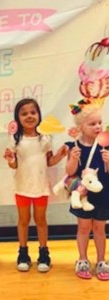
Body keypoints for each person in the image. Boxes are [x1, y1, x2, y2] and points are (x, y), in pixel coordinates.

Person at [4, 98, 67, 273]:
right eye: (24, 113)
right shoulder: (15, 139)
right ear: (17, 118)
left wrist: (61, 155)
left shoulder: (45, 138)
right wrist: (10, 160)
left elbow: (50, 161)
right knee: (23, 220)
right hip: (22, 186)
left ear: (39, 115)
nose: (29, 116)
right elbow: (14, 165)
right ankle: (23, 252)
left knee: (41, 220)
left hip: (40, 187)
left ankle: (44, 252)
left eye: (33, 112)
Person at [65, 102, 109, 280]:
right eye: (92, 124)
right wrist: (73, 159)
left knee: (100, 228)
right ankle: (82, 259)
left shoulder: (106, 145)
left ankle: (101, 260)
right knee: (83, 227)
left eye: (99, 122)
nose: (97, 126)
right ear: (80, 127)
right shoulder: (74, 146)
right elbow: (69, 172)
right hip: (82, 195)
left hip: (104, 193)